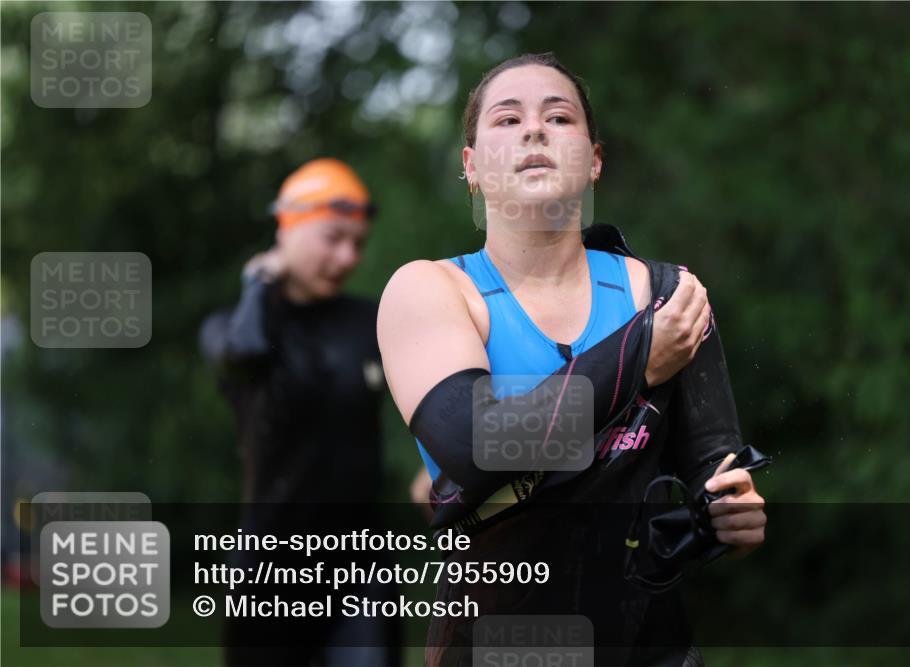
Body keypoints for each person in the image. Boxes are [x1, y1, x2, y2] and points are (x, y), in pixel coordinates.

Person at [378, 54, 767, 666]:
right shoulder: (430, 291)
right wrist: (639, 355)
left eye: (558, 117)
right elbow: (479, 445)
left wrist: (730, 515)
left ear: (594, 160)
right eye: (507, 120)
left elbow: (712, 472)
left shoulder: (670, 297)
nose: (534, 130)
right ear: (471, 168)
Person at [200, 158, 401, 667]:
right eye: (333, 238)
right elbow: (245, 355)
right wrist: (259, 281)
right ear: (287, 228)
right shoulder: (232, 327)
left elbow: (440, 394)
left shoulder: (370, 321)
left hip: (363, 569)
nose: (347, 256)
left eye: (358, 242)